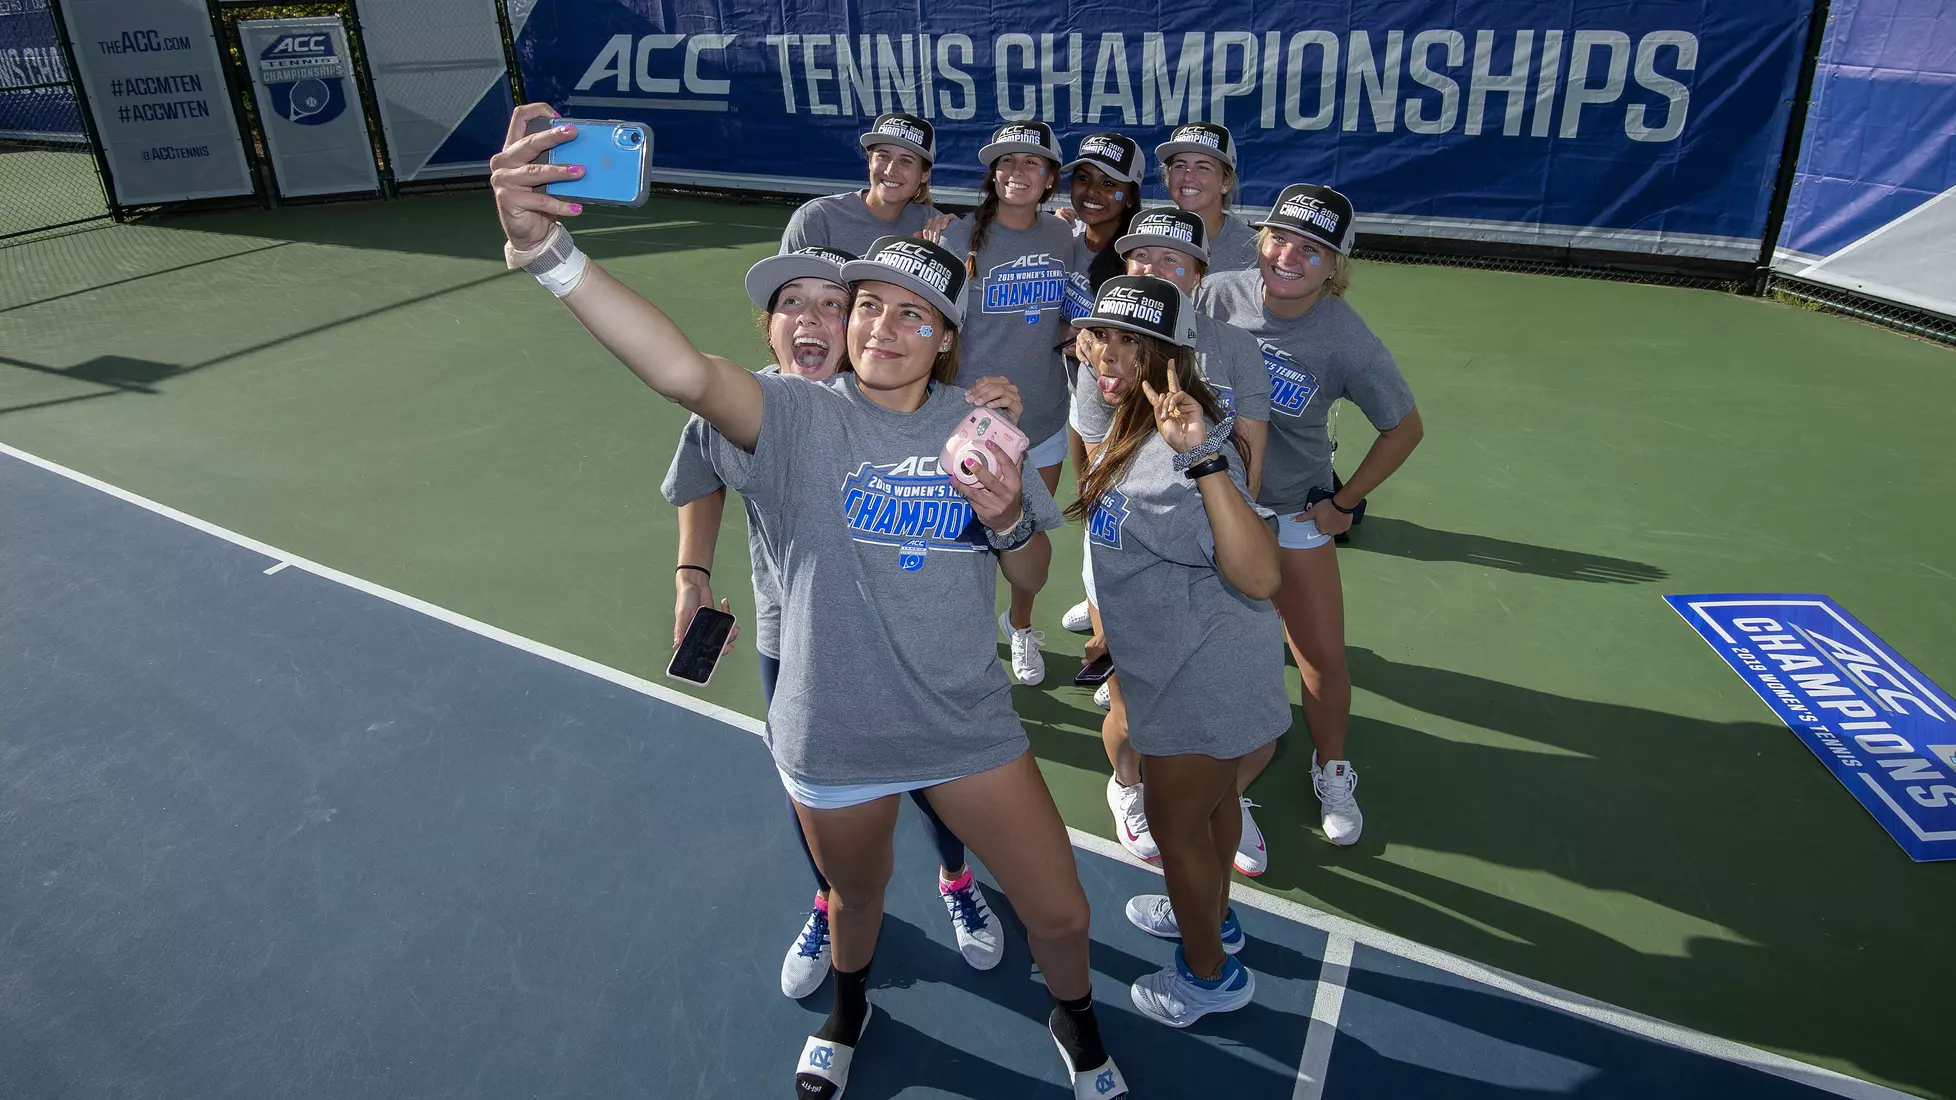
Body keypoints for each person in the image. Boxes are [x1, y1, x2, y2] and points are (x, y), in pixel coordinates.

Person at [491, 105, 1130, 1100]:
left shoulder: (980, 425)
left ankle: (1075, 1015)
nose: (884, 326)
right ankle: (848, 1007)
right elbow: (679, 370)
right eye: (869, 306)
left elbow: (1033, 581)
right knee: (855, 899)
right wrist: (550, 254)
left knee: (1061, 911)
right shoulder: (792, 415)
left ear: (946, 339)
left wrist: (1009, 519)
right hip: (830, 733)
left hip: (967, 726)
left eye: (914, 314)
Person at [660, 245, 1014, 1000]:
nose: (813, 319)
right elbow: (700, 476)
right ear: (769, 327)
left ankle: (955, 878)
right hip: (791, 631)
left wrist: (989, 420)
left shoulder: (893, 395)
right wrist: (692, 571)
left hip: (909, 636)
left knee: (932, 776)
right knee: (813, 787)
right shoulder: (745, 402)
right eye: (793, 304)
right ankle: (830, 900)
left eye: (833, 302)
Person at [1068, 275, 1286, 1028]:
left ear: (1173, 354)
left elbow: (1260, 574)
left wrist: (1204, 459)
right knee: (1213, 809)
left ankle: (1208, 976)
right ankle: (1215, 917)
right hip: (1177, 661)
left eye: (1134, 342)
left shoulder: (1188, 446)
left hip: (1204, 678)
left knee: (1176, 826)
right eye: (1103, 335)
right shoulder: (1131, 424)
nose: (1108, 354)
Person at [1200, 184, 1426, 847]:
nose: (1287, 257)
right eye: (1278, 239)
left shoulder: (1345, 339)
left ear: (1336, 266)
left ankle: (1330, 766)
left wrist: (1344, 504)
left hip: (1292, 517)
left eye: (1311, 250)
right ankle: (1208, 774)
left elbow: (1404, 429)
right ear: (1259, 239)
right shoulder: (1218, 293)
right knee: (1213, 653)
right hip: (1211, 504)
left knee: (1321, 659)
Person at [928, 121, 1095, 686]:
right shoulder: (954, 239)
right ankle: (960, 640)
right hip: (965, 423)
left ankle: (1019, 626)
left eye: (1032, 163)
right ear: (992, 174)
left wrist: (1076, 334)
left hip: (1042, 420)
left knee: (1022, 542)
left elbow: (1073, 314)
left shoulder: (1061, 237)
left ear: (1050, 179)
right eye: (1006, 162)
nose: (1016, 172)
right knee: (959, 548)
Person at [779, 112, 941, 254]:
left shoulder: (936, 226)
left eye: (905, 161)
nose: (891, 170)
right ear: (870, 161)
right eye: (883, 156)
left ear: (924, 174)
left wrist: (955, 229)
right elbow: (786, 286)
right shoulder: (817, 218)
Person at [1156, 122, 1259, 272]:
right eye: (1180, 166)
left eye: (1203, 167)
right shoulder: (1149, 236)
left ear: (1226, 182)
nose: (1188, 177)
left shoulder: (1255, 249)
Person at [1058, 132, 1146, 290]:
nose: (1092, 191)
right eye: (1083, 178)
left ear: (1130, 197)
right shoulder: (1064, 234)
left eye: (1108, 184)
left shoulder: (1139, 263)